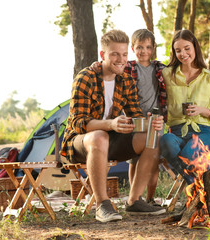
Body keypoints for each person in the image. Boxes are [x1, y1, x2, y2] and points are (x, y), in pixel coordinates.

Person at [60, 29, 166, 223]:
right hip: (80, 143)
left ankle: (134, 200)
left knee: (153, 137)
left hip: (111, 140)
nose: (121, 59)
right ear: (103, 55)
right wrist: (110, 123)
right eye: (115, 54)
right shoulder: (86, 78)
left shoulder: (126, 80)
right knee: (99, 136)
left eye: (124, 54)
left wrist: (151, 121)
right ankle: (103, 204)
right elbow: (78, 123)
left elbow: (135, 115)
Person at [90, 29, 166, 206]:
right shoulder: (128, 67)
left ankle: (148, 198)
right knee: (134, 160)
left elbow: (175, 75)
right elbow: (109, 64)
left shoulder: (160, 68)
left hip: (153, 119)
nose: (143, 51)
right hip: (133, 120)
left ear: (153, 49)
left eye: (148, 47)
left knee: (153, 155)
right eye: (139, 47)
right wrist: (98, 64)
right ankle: (134, 195)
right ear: (133, 48)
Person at [159, 29, 210, 185]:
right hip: (176, 132)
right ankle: (194, 182)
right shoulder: (167, 74)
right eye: (178, 50)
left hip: (202, 132)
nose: (183, 53)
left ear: (195, 47)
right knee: (165, 141)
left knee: (189, 152)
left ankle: (195, 183)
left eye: (187, 48)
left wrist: (202, 110)